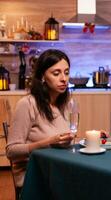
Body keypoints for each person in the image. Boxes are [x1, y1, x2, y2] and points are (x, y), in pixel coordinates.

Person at [6, 49, 74, 188]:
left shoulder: (65, 103)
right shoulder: (28, 104)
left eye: (66, 72)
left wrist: (93, 138)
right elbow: (11, 151)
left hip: (58, 168)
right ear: (43, 76)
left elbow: (65, 141)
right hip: (34, 175)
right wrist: (47, 142)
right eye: (56, 73)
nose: (64, 78)